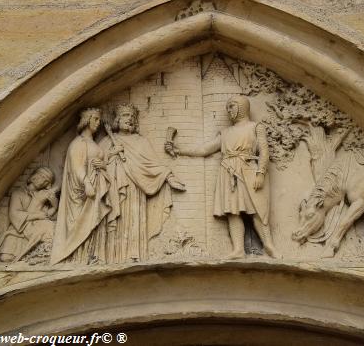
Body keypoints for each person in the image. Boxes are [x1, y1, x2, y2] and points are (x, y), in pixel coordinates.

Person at [165, 95, 279, 259]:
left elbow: (264, 152)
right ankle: (238, 249)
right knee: (233, 212)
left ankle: (269, 245)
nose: (229, 110)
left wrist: (260, 172)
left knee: (258, 210)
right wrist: (179, 149)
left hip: (249, 171)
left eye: (232, 106)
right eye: (228, 107)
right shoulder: (226, 132)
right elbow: (205, 149)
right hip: (228, 172)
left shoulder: (255, 127)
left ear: (242, 107)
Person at [100, 103, 185, 263]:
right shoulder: (107, 140)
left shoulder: (141, 141)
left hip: (135, 189)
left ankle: (134, 255)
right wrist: (111, 154)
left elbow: (153, 165)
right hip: (114, 188)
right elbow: (96, 164)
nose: (130, 119)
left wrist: (169, 176)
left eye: (132, 116)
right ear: (118, 119)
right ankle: (111, 257)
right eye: (126, 115)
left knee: (133, 220)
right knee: (115, 221)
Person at [50, 108, 113, 264]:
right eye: (96, 119)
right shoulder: (78, 143)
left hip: (96, 186)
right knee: (80, 223)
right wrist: (86, 183)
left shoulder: (92, 143)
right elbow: (77, 167)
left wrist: (103, 165)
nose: (98, 123)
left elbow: (98, 161)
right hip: (82, 191)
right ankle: (77, 258)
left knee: (94, 221)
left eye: (99, 120)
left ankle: (91, 256)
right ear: (87, 120)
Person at [0, 167, 59, 263]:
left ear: (47, 186)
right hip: (18, 229)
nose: (41, 180)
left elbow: (47, 216)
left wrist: (54, 206)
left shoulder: (42, 197)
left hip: (34, 229)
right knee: (6, 257)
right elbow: (14, 214)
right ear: (33, 176)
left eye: (45, 180)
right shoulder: (18, 193)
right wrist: (36, 215)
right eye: (40, 175)